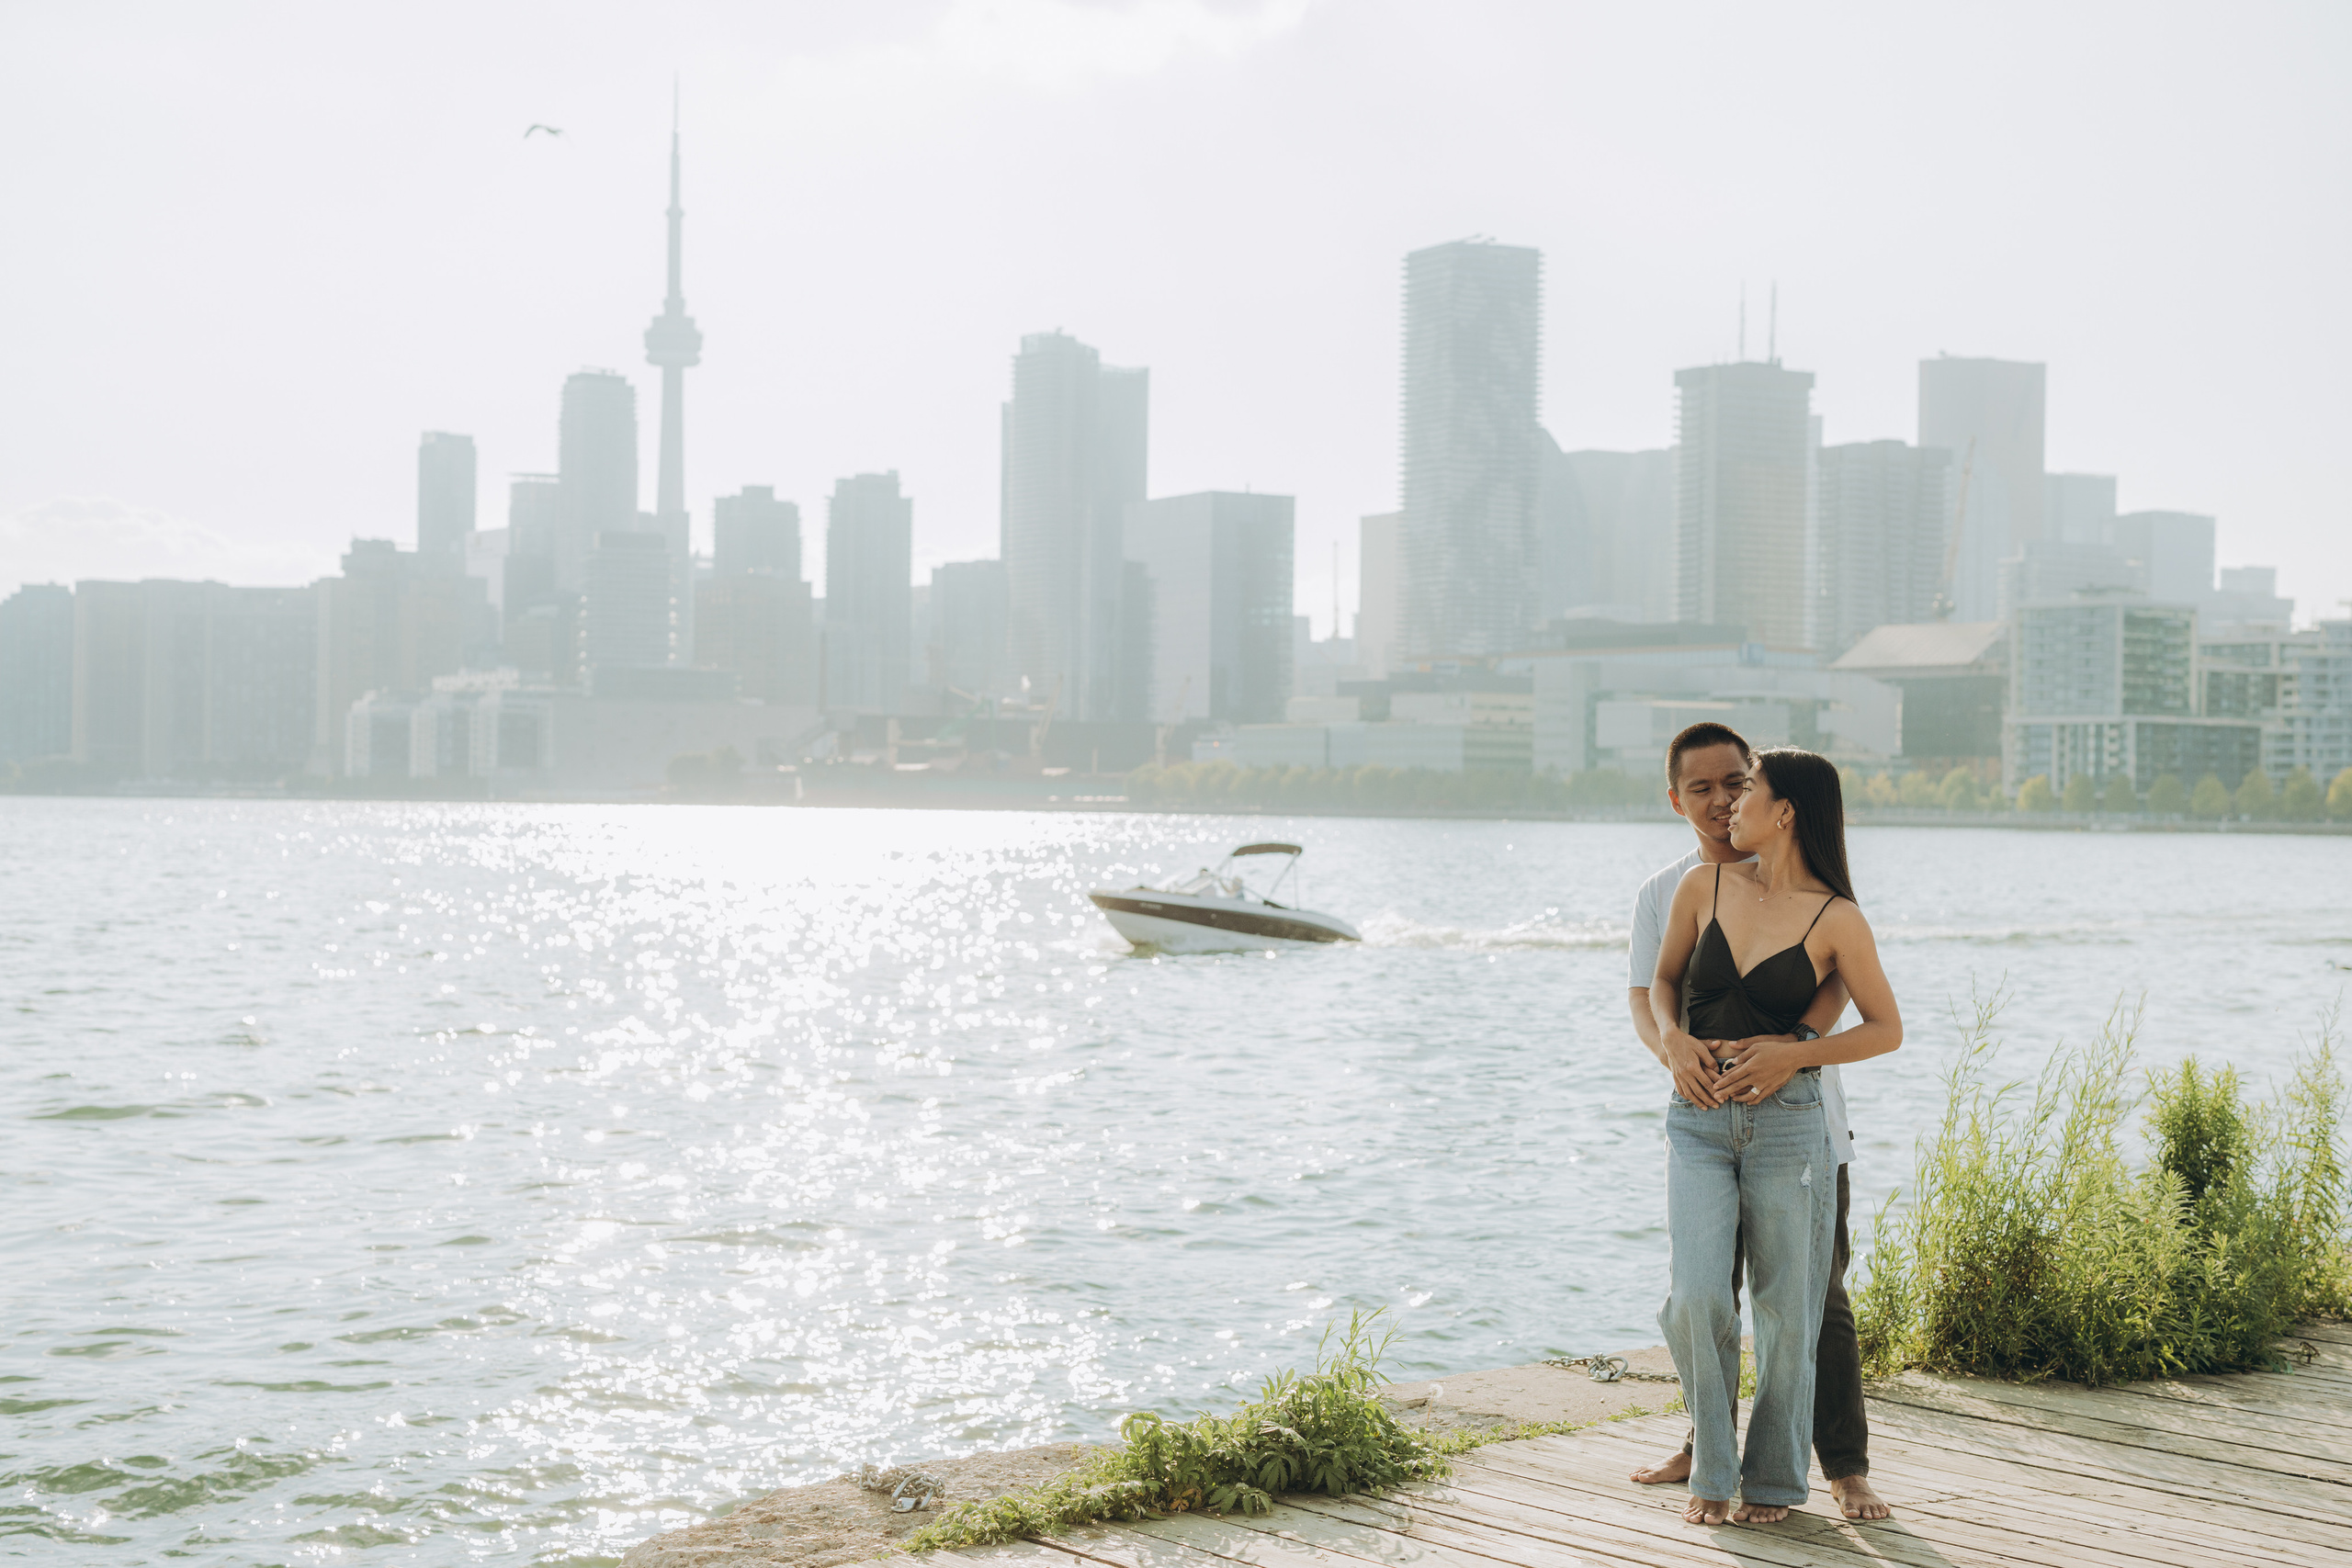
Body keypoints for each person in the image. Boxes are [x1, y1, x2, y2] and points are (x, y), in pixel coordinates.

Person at [1624, 725, 1891, 1521]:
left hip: (1798, 1122)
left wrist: (1796, 1053)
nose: (1726, 801)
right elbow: (1652, 992)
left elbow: (1848, 1009)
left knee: (1807, 1304)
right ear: (1676, 799)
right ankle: (1710, 1450)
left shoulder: (1828, 907)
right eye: (1704, 789)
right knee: (1699, 1296)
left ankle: (1829, 1470)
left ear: (1777, 805)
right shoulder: (1681, 888)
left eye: (1739, 784)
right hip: (1700, 1116)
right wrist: (1673, 1046)